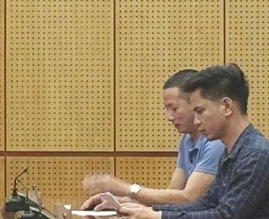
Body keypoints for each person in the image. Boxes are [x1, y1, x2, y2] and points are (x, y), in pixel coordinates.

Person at [120, 64, 269, 219]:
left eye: (200, 111)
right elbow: (206, 203)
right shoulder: (232, 151)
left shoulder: (256, 154)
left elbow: (226, 217)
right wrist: (148, 210)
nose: (196, 120)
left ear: (226, 107)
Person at [81, 69, 225, 208]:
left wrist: (124, 188)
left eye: (174, 108)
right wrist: (118, 203)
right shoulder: (186, 139)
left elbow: (188, 197)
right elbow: (172, 193)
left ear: (194, 104)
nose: (169, 117)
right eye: (166, 109)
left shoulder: (215, 142)